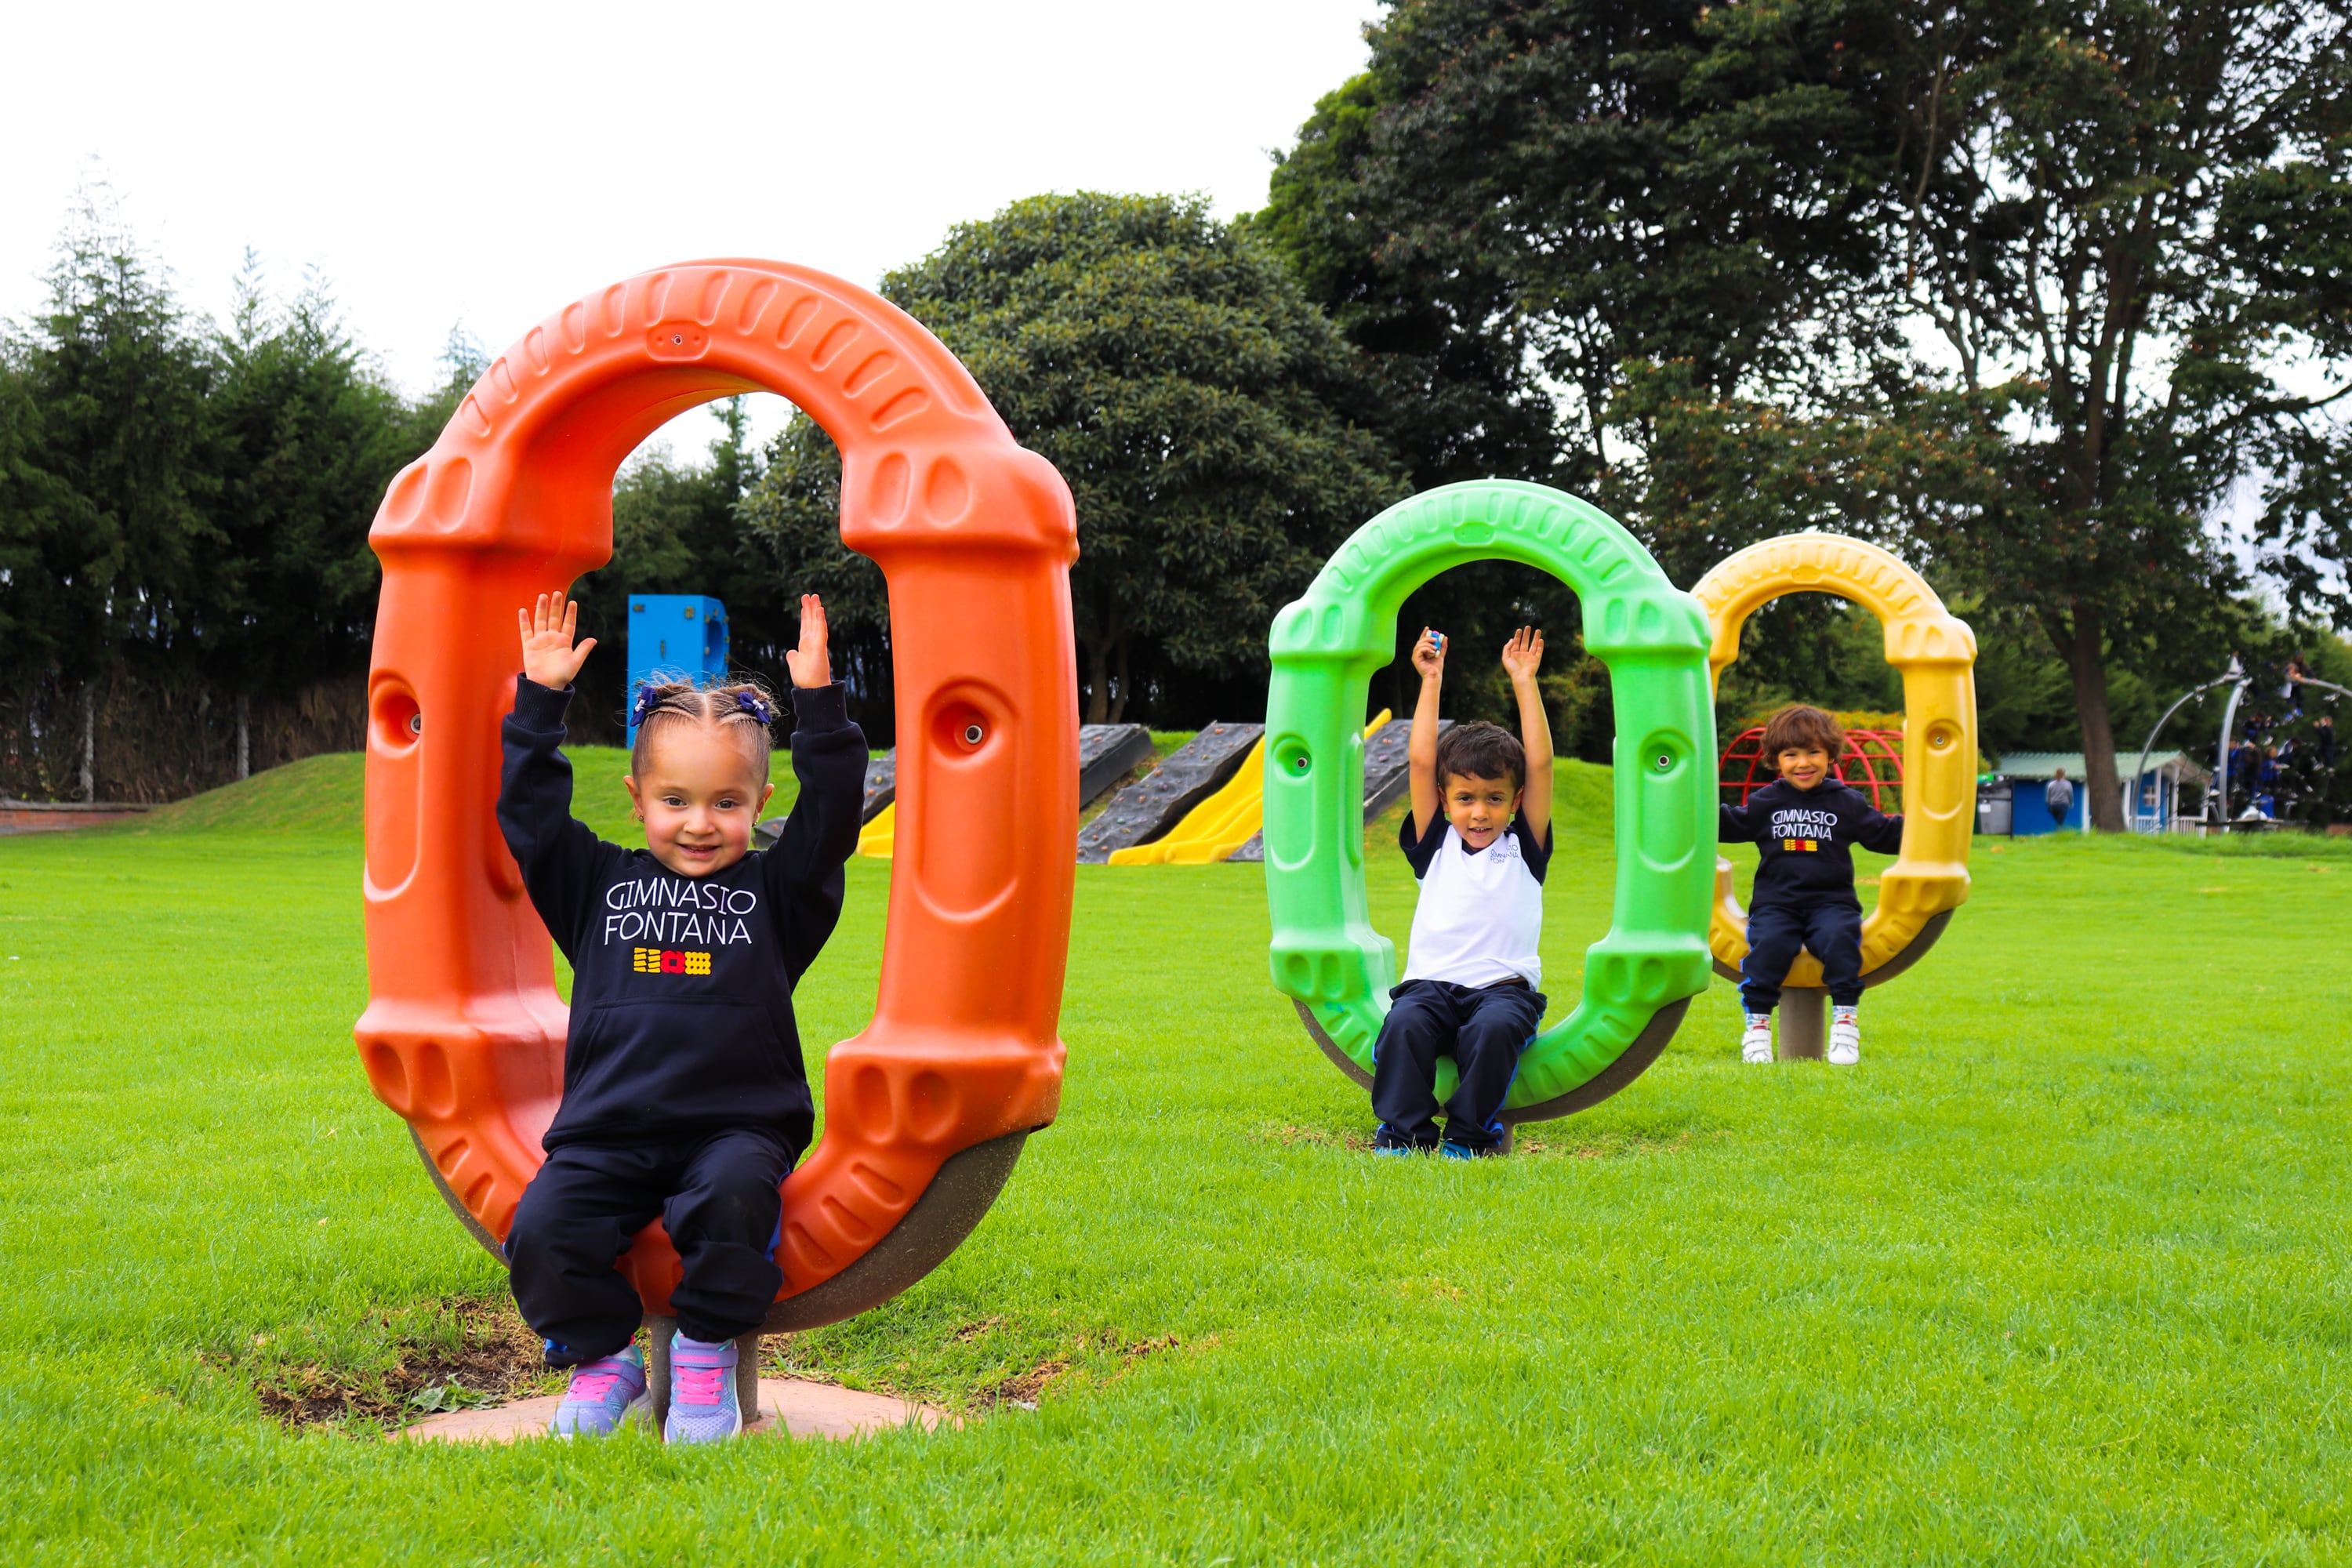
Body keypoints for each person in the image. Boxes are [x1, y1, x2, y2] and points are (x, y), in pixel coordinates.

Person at [496, 589, 864, 1441]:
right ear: (636, 796)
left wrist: (819, 705)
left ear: (760, 802)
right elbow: (533, 818)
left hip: (735, 1129)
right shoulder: (593, 886)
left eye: (727, 803)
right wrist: (541, 700)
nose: (700, 824)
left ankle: (703, 1352)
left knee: (735, 1204)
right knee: (545, 1229)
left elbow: (833, 817)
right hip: (606, 1131)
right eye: (676, 801)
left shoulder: (780, 893)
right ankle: (604, 1358)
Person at [1368, 625, 1554, 1159]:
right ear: (1445, 802)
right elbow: (1423, 762)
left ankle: (1471, 1138)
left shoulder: (1525, 845)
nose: (1480, 812)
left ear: (1516, 800)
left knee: (1494, 1031)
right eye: (1466, 798)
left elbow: (1539, 765)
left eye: (1495, 798)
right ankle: (1403, 1135)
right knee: (1402, 1025)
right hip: (1431, 986)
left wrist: (1524, 681)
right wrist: (1430, 679)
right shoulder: (1436, 842)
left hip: (1502, 989)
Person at [1718, 705, 1902, 1066]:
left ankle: (1846, 1024)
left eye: (1814, 752)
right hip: (1776, 904)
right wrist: (1690, 806)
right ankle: (1757, 1029)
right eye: (1792, 755)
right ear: (1776, 760)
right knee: (1768, 946)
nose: (1804, 763)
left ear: (1830, 755)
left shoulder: (1845, 802)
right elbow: (1728, 825)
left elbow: (1881, 833)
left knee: (1840, 941)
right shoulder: (1766, 802)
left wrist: (1927, 826)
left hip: (1831, 903)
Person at [2043, 765, 2074, 829]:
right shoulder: (2067, 784)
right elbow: (2070, 794)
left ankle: (2060, 832)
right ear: (2064, 774)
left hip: (2053, 806)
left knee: (2058, 821)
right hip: (2063, 805)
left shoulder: (2051, 784)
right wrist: (2071, 804)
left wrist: (2049, 804)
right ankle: (2059, 834)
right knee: (2060, 823)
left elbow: (2048, 796)